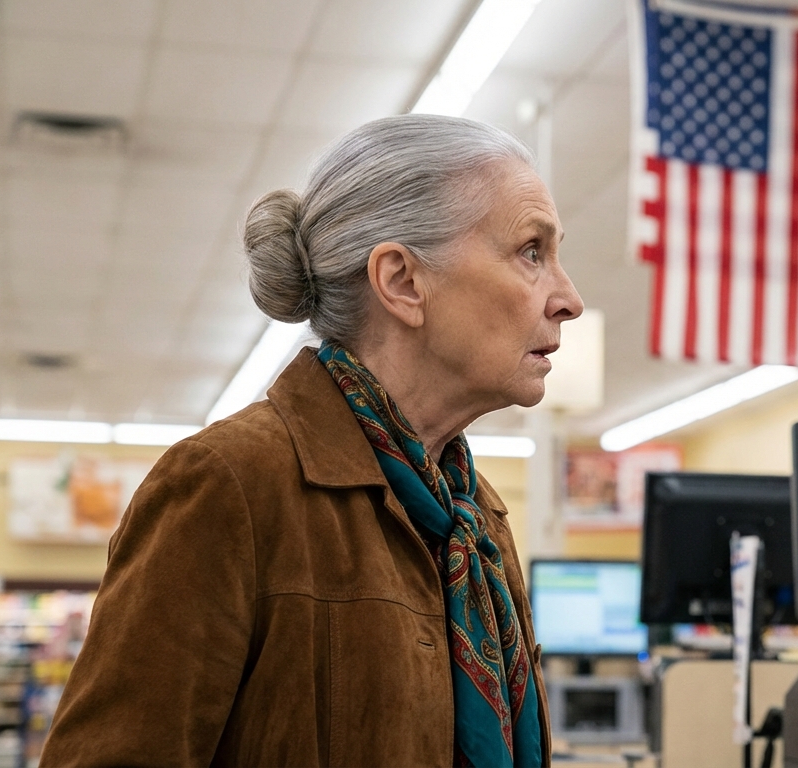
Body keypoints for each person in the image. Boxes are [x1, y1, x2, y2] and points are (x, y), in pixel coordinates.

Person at [41, 114, 583, 767]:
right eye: (532, 251)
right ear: (403, 281)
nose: (569, 298)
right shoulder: (230, 485)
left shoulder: (478, 519)